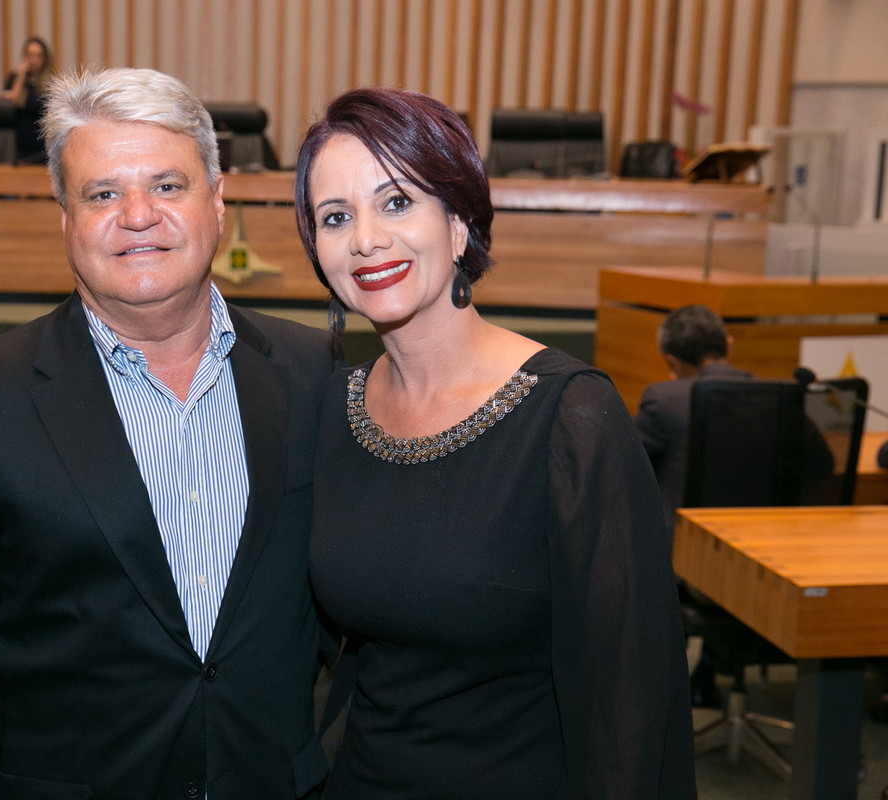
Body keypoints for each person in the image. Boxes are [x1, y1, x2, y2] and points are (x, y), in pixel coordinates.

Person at [0, 67, 342, 799]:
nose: (138, 215)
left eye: (167, 185)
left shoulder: (317, 374)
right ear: (64, 219)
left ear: (217, 201)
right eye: (102, 194)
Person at [294, 87, 696, 798]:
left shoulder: (571, 416)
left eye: (396, 202)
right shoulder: (333, 408)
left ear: (458, 224)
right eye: (335, 217)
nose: (365, 239)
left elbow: (633, 695)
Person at [633, 304, 754, 533]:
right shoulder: (772, 396)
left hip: (683, 543)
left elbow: (619, 458)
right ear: (729, 345)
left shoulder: (665, 400)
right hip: (754, 538)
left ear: (671, 362)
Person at [1, 36, 53, 163]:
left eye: (38, 56)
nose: (34, 60)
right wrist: (21, 76)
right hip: (18, 144)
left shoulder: (49, 84)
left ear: (44, 59)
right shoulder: (14, 79)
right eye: (30, 55)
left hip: (40, 146)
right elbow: (12, 101)